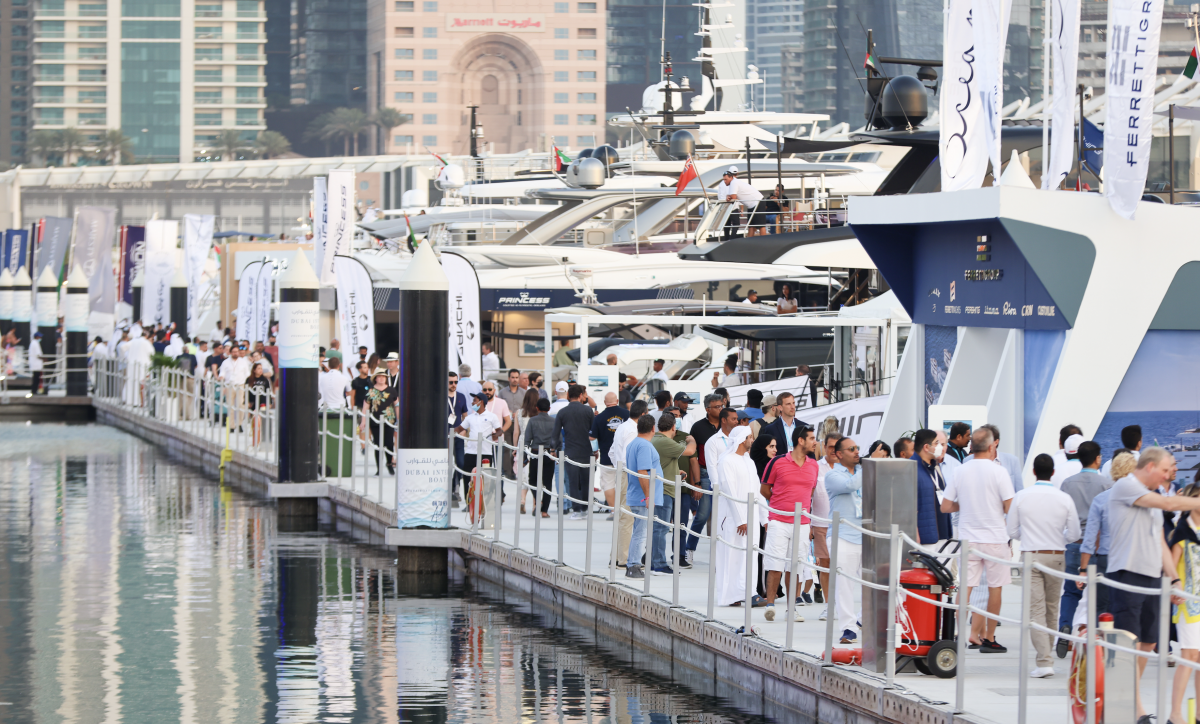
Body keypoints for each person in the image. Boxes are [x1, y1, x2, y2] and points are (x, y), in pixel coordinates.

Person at [1103, 449, 1200, 721]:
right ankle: (1133, 708)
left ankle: (1128, 701)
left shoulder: (1155, 500)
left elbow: (1160, 543)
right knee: (1129, 643)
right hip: (1127, 574)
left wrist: (1175, 579)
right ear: (1150, 466)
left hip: (1153, 578)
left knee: (1147, 643)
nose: (1170, 475)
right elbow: (1170, 505)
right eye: (1166, 469)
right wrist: (1196, 504)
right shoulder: (1126, 486)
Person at [940, 428, 1015, 653]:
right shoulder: (999, 471)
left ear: (971, 446)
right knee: (995, 588)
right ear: (992, 447)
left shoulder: (960, 471)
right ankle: (989, 637)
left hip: (969, 538)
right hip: (995, 537)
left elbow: (945, 506)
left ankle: (957, 634)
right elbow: (1009, 506)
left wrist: (966, 504)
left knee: (966, 587)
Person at [1007, 453, 1081, 678]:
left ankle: (1044, 660)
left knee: (1035, 609)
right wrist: (1060, 538)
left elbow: (1011, 531)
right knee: (1052, 608)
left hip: (1031, 555)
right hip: (1057, 554)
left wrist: (1028, 536)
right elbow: (1075, 533)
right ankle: (1046, 657)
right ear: (1053, 472)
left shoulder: (1021, 496)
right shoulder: (1064, 498)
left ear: (1033, 472)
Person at [760, 424, 819, 621]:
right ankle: (770, 605)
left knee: (796, 566)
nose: (815, 442)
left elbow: (810, 493)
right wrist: (779, 504)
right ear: (800, 441)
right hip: (778, 520)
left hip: (802, 523)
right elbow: (765, 489)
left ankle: (791, 609)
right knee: (775, 563)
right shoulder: (777, 462)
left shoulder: (814, 465)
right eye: (811, 438)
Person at [1056, 440, 1111, 648]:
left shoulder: (1068, 483)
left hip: (1074, 543)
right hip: (1097, 547)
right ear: (1098, 458)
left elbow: (1063, 514)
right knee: (1100, 596)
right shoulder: (1107, 484)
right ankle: (1095, 638)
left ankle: (1065, 628)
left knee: (1071, 591)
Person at [714, 426, 762, 604]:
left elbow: (757, 491)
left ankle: (749, 592)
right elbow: (729, 491)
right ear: (742, 439)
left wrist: (764, 518)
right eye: (750, 437)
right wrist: (741, 519)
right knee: (733, 556)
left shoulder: (748, 460)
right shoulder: (726, 460)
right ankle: (732, 595)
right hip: (733, 519)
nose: (752, 440)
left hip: (752, 516)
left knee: (750, 555)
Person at [825, 436, 863, 641]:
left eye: (857, 448)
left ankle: (863, 619)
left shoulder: (863, 472)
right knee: (845, 584)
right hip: (842, 536)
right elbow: (849, 486)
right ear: (839, 454)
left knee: (876, 582)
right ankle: (848, 627)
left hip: (867, 535)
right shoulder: (832, 475)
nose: (856, 452)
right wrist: (869, 466)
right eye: (851, 449)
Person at [1169, 481, 1200, 724]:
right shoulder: (1181, 533)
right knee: (1188, 657)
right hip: (1187, 605)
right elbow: (1170, 567)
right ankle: (1175, 714)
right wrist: (1173, 587)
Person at [681, 394, 725, 565]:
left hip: (725, 475)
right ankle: (689, 549)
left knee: (724, 516)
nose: (720, 409)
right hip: (705, 474)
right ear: (708, 409)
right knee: (702, 514)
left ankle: (721, 554)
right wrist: (695, 483)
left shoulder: (727, 424)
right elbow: (693, 456)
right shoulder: (698, 427)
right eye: (717, 406)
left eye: (722, 405)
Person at [651, 411, 695, 574]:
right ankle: (659, 563)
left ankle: (654, 561)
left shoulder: (656, 439)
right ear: (673, 427)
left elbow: (663, 464)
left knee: (658, 528)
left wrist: (676, 471)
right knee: (661, 529)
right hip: (664, 490)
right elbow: (689, 451)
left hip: (663, 488)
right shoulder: (664, 442)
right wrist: (691, 440)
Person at [624, 415, 664, 580]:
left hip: (637, 494)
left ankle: (634, 563)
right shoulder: (644, 446)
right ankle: (633, 565)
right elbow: (643, 471)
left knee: (639, 532)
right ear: (653, 428)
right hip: (642, 497)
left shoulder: (633, 443)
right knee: (640, 533)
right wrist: (648, 497)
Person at [609, 400, 648, 566]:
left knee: (622, 517)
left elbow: (612, 452)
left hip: (621, 473)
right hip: (628, 474)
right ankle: (623, 559)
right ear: (643, 414)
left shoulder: (623, 427)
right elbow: (627, 457)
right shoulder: (633, 430)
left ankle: (616, 556)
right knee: (627, 518)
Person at [553, 384, 595, 518]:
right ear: (581, 396)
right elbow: (593, 433)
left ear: (568, 396)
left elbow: (555, 434)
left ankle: (576, 510)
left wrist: (556, 449)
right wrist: (595, 450)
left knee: (572, 481)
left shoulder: (562, 412)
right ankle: (585, 509)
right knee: (586, 481)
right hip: (586, 450)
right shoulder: (588, 411)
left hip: (570, 450)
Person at [590, 392, 629, 516]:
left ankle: (614, 511)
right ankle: (625, 510)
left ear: (605, 403)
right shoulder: (627, 415)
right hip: (625, 457)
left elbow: (592, 438)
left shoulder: (599, 417)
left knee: (608, 484)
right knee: (624, 484)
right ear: (617, 400)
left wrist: (595, 451)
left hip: (606, 457)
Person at [456, 392, 502, 495]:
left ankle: (483, 504)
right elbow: (459, 429)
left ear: (481, 402)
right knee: (467, 477)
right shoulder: (470, 417)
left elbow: (500, 430)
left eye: (474, 400)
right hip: (470, 452)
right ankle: (469, 503)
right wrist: (447, 432)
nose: (472, 402)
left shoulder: (492, 416)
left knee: (485, 479)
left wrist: (494, 435)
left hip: (486, 453)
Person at [913, 429, 953, 545]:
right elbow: (909, 508)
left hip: (944, 534)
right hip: (926, 539)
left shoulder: (935, 466)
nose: (940, 447)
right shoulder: (912, 469)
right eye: (937, 443)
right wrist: (915, 537)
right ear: (926, 447)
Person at [522, 397, 557, 518]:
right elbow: (557, 440)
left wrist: (524, 457)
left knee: (533, 480)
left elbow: (527, 439)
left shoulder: (532, 420)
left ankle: (538, 501)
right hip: (549, 453)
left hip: (536, 452)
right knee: (547, 482)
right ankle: (544, 510)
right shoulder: (554, 421)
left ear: (537, 408)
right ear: (549, 408)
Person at [361, 368, 399, 475]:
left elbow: (397, 405)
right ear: (376, 378)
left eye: (383, 377)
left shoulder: (391, 390)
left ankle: (389, 464)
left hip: (389, 420)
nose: (382, 379)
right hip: (375, 420)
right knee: (378, 444)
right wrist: (363, 421)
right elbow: (366, 407)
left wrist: (399, 418)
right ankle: (379, 468)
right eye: (379, 377)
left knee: (389, 443)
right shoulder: (371, 391)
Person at [715, 166, 762, 241]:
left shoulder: (722, 183)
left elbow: (721, 196)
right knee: (736, 224)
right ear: (736, 174)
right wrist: (742, 209)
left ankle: (727, 240)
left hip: (724, 207)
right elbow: (736, 196)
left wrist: (727, 199)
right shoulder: (735, 182)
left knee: (726, 225)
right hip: (734, 207)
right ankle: (732, 239)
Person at [497, 369, 524, 484]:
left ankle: (519, 470)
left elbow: (525, 407)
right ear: (509, 378)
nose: (515, 379)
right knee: (507, 447)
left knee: (519, 447)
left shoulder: (524, 392)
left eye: (517, 377)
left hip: (520, 423)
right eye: (512, 377)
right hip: (507, 423)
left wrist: (518, 412)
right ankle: (508, 472)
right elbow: (499, 405)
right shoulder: (502, 392)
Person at [447, 371, 470, 502]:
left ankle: (456, 486)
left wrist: (464, 430)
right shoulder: (441, 396)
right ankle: (449, 489)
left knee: (461, 463)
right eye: (451, 382)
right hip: (445, 437)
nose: (454, 384)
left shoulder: (461, 396)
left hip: (458, 436)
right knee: (447, 464)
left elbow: (465, 416)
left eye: (456, 382)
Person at [247, 362, 272, 446]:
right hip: (253, 402)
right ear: (254, 370)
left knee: (261, 420)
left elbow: (268, 391)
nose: (260, 370)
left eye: (261, 368)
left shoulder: (265, 380)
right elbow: (246, 391)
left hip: (262, 402)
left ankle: (261, 438)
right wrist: (247, 401)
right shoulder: (249, 379)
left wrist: (270, 403)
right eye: (258, 368)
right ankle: (255, 437)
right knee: (254, 420)